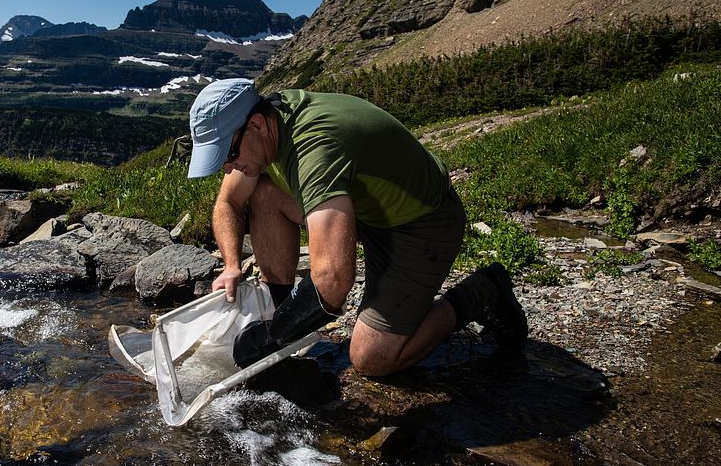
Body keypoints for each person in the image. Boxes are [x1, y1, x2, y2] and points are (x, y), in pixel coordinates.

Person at [185, 78, 528, 373]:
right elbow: (228, 202)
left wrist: (273, 336)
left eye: (228, 154)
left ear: (257, 125)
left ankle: (483, 291)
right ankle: (281, 305)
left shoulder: (314, 149)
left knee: (372, 359)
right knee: (263, 192)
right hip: (363, 208)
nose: (228, 166)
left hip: (420, 223)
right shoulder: (266, 124)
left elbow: (333, 282)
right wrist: (231, 265)